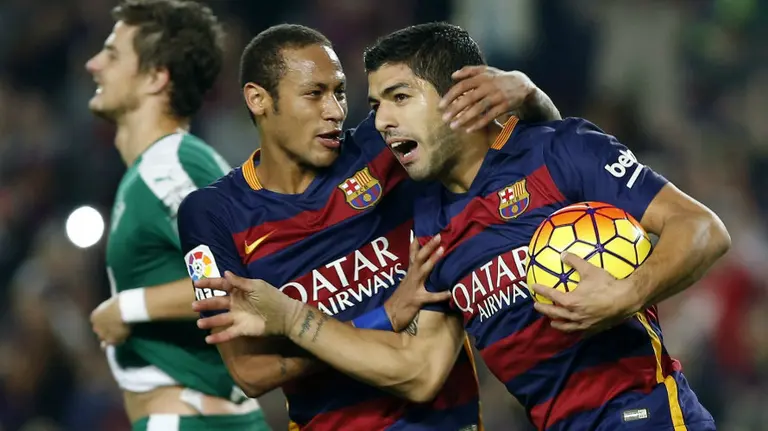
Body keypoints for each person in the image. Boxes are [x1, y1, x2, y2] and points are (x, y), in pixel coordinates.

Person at [194, 23, 730, 431]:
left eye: (399, 98)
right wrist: (326, 316)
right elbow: (423, 366)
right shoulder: (429, 219)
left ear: (459, 97)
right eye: (376, 104)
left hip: (643, 413)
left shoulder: (560, 150)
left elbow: (704, 229)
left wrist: (624, 294)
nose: (372, 120)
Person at [177, 23, 561, 430]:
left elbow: (535, 149)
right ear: (258, 99)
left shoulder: (384, 151)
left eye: (339, 92)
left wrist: (530, 95)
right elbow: (250, 374)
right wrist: (385, 315)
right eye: (314, 94)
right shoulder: (212, 214)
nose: (336, 111)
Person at [86, 1, 268, 430]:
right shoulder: (154, 169)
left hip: (191, 419)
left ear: (155, 77)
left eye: (112, 54)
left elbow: (241, 278)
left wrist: (127, 306)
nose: (94, 64)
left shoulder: (170, 167)